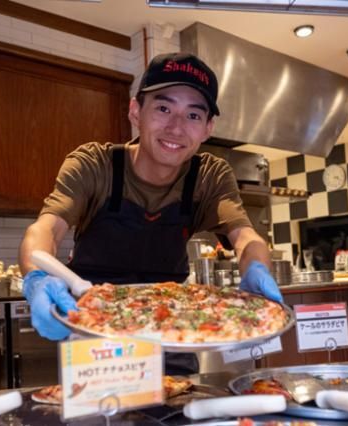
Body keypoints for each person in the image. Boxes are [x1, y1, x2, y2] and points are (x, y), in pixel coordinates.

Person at [19, 52, 283, 375]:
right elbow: (44, 230)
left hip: (176, 332)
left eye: (193, 115)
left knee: (183, 403)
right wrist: (37, 278)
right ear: (135, 111)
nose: (176, 128)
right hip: (96, 334)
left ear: (207, 128)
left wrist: (256, 267)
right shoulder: (94, 165)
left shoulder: (209, 176)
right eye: (163, 108)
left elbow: (245, 237)